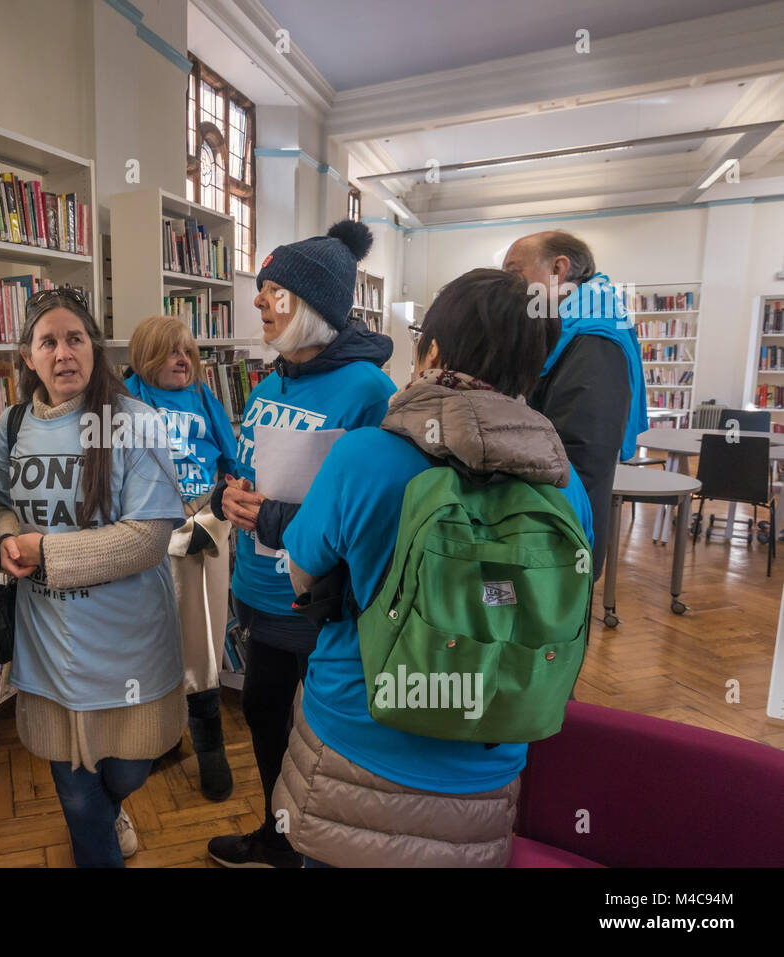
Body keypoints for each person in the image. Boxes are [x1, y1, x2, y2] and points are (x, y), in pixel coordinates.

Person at [272, 268, 594, 867]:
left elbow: (302, 570)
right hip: (488, 752)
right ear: (534, 369)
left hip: (354, 736)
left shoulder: (366, 453)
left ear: (433, 351)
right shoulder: (564, 482)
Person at [205, 220, 395, 868]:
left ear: (309, 307)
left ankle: (317, 845)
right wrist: (225, 495)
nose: (258, 301)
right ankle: (279, 834)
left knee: (321, 739)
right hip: (257, 588)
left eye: (273, 291)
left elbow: (378, 503)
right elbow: (246, 468)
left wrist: (282, 516)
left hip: (319, 599)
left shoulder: (369, 391)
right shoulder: (267, 383)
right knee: (262, 712)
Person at [0, 288, 187, 867]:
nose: (62, 353)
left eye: (74, 338)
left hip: (128, 644)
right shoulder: (12, 424)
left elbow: (147, 539)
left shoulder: (136, 422)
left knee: (127, 769)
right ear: (28, 357)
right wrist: (4, 538)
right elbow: (4, 504)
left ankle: (113, 808)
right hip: (49, 645)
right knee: (76, 793)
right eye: (47, 342)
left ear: (94, 350)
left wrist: (44, 552)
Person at [124, 315, 239, 801]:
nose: (183, 361)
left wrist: (224, 501)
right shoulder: (123, 400)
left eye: (188, 352)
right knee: (151, 641)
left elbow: (233, 465)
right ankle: (158, 738)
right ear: (148, 356)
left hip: (204, 527)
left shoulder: (203, 399)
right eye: (172, 352)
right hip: (148, 534)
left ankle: (208, 739)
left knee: (204, 641)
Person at [502, 230, 645, 579]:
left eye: (514, 272)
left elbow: (577, 453)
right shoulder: (571, 329)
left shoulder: (594, 339)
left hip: (560, 537)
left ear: (558, 269)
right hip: (548, 527)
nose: (507, 286)